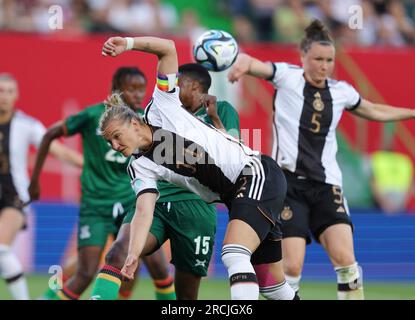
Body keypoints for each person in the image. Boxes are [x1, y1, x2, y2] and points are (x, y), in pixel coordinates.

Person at [99, 35, 298, 300]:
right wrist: (133, 255)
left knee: (234, 253)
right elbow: (144, 212)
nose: (113, 144)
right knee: (270, 284)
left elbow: (167, 48)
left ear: (134, 124)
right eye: (109, 141)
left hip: (254, 173)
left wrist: (128, 43)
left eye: (116, 135)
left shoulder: (161, 106)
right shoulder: (140, 166)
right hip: (236, 194)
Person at [228, 19, 415, 299]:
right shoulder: (286, 76)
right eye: (317, 59)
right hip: (289, 185)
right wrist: (242, 64)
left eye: (329, 60)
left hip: (327, 185)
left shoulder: (341, 92)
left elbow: (373, 109)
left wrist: (411, 111)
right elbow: (256, 65)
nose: (323, 65)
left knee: (346, 261)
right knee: (291, 266)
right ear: (304, 57)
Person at [89, 62, 240, 300]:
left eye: (179, 83)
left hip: (196, 206)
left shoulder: (220, 108)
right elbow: (135, 134)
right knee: (117, 254)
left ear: (195, 86)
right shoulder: (161, 110)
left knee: (186, 296)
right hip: (156, 200)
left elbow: (232, 153)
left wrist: (215, 119)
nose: (173, 87)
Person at [28, 67, 176, 300]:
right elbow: (49, 135)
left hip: (131, 203)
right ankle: (48, 297)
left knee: (154, 266)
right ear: (116, 89)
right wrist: (35, 181)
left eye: (142, 89)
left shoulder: (142, 122)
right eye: (132, 88)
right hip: (96, 205)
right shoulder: (91, 116)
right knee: (85, 272)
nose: (138, 95)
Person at [0, 73, 83, 300]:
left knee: (1, 249)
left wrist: (87, 165)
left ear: (16, 95)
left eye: (9, 91)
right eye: (0, 91)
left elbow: (59, 151)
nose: (4, 96)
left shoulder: (26, 125)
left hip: (14, 197)